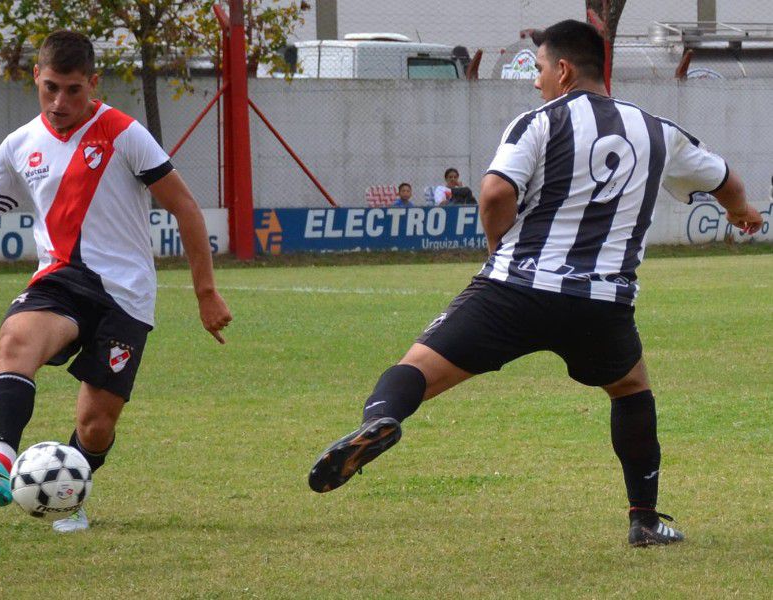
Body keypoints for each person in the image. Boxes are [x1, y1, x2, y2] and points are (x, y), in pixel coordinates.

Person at [307, 19, 762, 548]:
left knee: (416, 370)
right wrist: (741, 211)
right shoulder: (659, 130)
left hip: (514, 289)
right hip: (600, 302)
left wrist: (498, 248)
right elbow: (726, 181)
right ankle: (644, 519)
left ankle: (381, 420)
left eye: (539, 68)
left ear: (563, 70)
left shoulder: (538, 122)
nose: (536, 80)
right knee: (631, 388)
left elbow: (497, 192)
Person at [0, 30, 232, 533]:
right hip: (61, 279)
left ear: (93, 83)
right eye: (51, 87)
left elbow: (184, 208)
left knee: (96, 426)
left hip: (125, 295)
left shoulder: (123, 133)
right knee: (16, 338)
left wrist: (205, 292)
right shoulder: (18, 145)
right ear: (36, 77)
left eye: (73, 89)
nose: (60, 101)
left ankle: (67, 493)